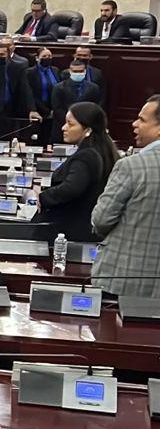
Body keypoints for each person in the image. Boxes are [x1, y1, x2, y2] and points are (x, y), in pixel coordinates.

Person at [92, 95, 160, 297]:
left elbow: (101, 220)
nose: (134, 124)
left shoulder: (131, 166)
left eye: (142, 119)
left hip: (123, 279)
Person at [37, 102, 117, 242]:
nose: (63, 128)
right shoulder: (101, 151)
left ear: (88, 130)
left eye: (70, 124)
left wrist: (43, 197)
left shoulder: (86, 155)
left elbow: (72, 187)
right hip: (85, 228)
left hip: (70, 231)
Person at [50, 55, 102, 133]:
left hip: (86, 126)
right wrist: (72, 122)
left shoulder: (94, 88)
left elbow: (95, 107)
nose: (78, 73)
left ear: (85, 71)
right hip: (63, 126)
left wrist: (84, 122)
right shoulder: (59, 88)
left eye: (81, 71)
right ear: (70, 71)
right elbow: (57, 108)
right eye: (75, 71)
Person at [26, 47, 61, 141]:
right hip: (38, 110)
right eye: (44, 56)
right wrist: (46, 111)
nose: (47, 58)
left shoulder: (55, 70)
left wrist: (54, 109)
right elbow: (30, 94)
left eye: (49, 56)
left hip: (54, 111)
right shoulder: (30, 72)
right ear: (37, 58)